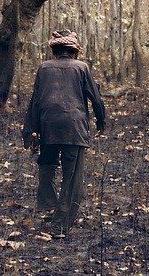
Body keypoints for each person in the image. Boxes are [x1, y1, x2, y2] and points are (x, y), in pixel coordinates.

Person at [22, 29, 105, 237]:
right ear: (74, 51)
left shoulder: (43, 68)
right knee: (72, 176)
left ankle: (49, 204)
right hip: (74, 128)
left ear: (55, 50)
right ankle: (60, 224)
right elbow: (96, 99)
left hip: (47, 125)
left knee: (47, 164)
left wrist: (30, 129)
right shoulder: (82, 68)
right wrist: (101, 121)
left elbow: (35, 100)